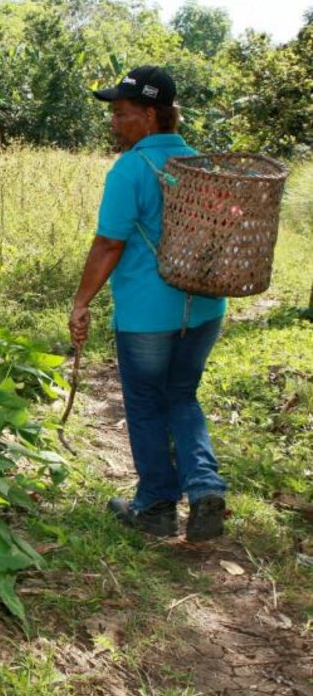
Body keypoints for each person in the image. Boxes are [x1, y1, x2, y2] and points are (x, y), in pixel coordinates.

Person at [69, 66, 227, 542]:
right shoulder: (203, 165)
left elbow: (108, 245)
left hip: (146, 317)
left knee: (144, 403)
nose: (114, 123)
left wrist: (80, 302)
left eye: (121, 113)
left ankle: (157, 506)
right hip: (203, 309)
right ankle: (204, 490)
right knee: (181, 395)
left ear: (152, 114)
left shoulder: (132, 168)